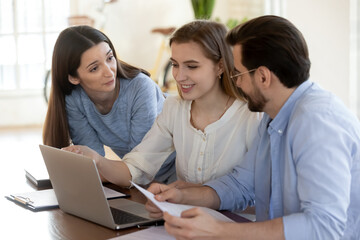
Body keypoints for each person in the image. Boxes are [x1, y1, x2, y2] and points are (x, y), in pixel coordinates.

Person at [145, 15, 360, 239]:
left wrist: (220, 231)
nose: (235, 82)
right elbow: (241, 185)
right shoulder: (273, 117)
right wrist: (183, 196)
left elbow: (323, 226)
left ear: (263, 77)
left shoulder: (318, 122)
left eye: (238, 73)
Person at [63, 20, 261, 187]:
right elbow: (136, 167)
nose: (178, 76)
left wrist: (192, 195)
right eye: (175, 64)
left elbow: (256, 190)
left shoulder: (252, 115)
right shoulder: (174, 108)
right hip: (185, 221)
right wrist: (96, 159)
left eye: (191, 66)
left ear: (220, 66)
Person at [43, 25, 175, 183]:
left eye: (110, 58)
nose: (109, 72)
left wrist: (93, 168)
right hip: (136, 179)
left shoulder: (140, 88)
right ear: (73, 78)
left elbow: (139, 165)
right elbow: (92, 161)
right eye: (94, 68)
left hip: (178, 172)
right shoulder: (74, 100)